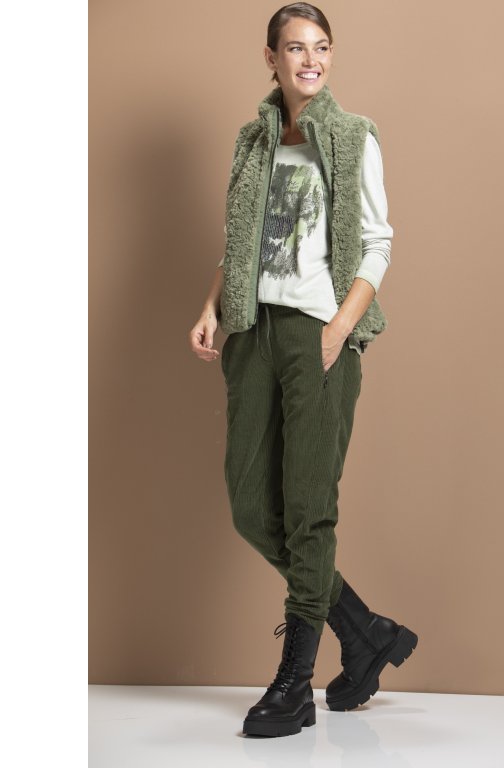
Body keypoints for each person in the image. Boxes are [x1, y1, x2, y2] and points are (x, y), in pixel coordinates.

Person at [189, 3, 418, 738]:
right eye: (295, 48)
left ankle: (295, 683)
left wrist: (338, 330)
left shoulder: (354, 137)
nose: (310, 60)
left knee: (309, 507)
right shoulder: (254, 140)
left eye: (321, 47)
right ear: (272, 58)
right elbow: (238, 241)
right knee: (252, 506)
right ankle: (364, 630)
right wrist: (212, 307)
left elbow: (378, 244)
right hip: (253, 332)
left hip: (318, 334)